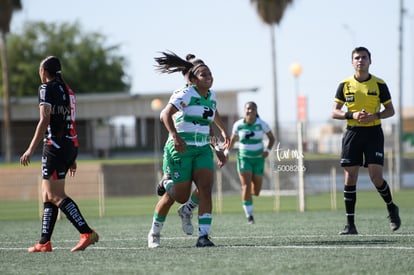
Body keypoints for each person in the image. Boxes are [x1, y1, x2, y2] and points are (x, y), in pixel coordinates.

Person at [147, 51, 228, 248]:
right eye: (204, 74)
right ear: (192, 79)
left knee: (206, 189)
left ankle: (203, 236)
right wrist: (174, 136)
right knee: (178, 196)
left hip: (201, 149)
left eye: (210, 74)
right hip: (181, 149)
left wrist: (217, 147)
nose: (209, 77)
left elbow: (208, 122)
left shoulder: (211, 95)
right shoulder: (185, 93)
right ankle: (154, 233)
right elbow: (164, 115)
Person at [20, 56, 99, 252]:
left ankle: (86, 232)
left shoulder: (46, 88)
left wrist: (30, 148)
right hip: (69, 145)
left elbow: (44, 119)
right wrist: (72, 156)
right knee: (47, 194)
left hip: (55, 146)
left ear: (44, 71)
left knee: (55, 195)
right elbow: (69, 120)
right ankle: (44, 242)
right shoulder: (68, 90)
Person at [332, 47, 401, 235]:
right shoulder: (344, 85)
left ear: (370, 61)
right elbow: (334, 111)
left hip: (373, 133)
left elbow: (391, 110)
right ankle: (350, 225)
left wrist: (375, 115)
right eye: (357, 58)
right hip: (352, 134)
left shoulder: (379, 84)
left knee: (376, 178)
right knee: (350, 177)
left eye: (364, 57)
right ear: (352, 62)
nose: (360, 60)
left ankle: (391, 208)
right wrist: (351, 113)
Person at [226, 101, 275, 224]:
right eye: (248, 109)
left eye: (253, 109)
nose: (250, 111)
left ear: (256, 111)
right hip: (244, 158)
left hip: (258, 159)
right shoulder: (238, 125)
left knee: (256, 191)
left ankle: (248, 196)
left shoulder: (261, 124)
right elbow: (232, 141)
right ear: (244, 110)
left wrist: (267, 151)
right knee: (246, 187)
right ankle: (249, 216)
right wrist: (226, 152)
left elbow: (272, 138)